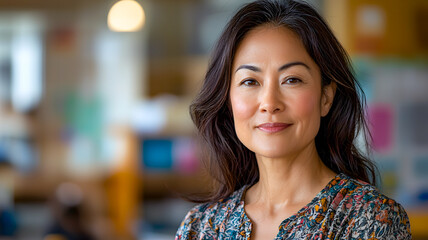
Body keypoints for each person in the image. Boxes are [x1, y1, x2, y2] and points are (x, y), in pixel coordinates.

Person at [176, 0, 411, 239]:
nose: (269, 103)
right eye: (250, 81)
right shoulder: (200, 226)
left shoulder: (371, 219)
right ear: (228, 101)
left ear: (325, 98)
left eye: (292, 80)